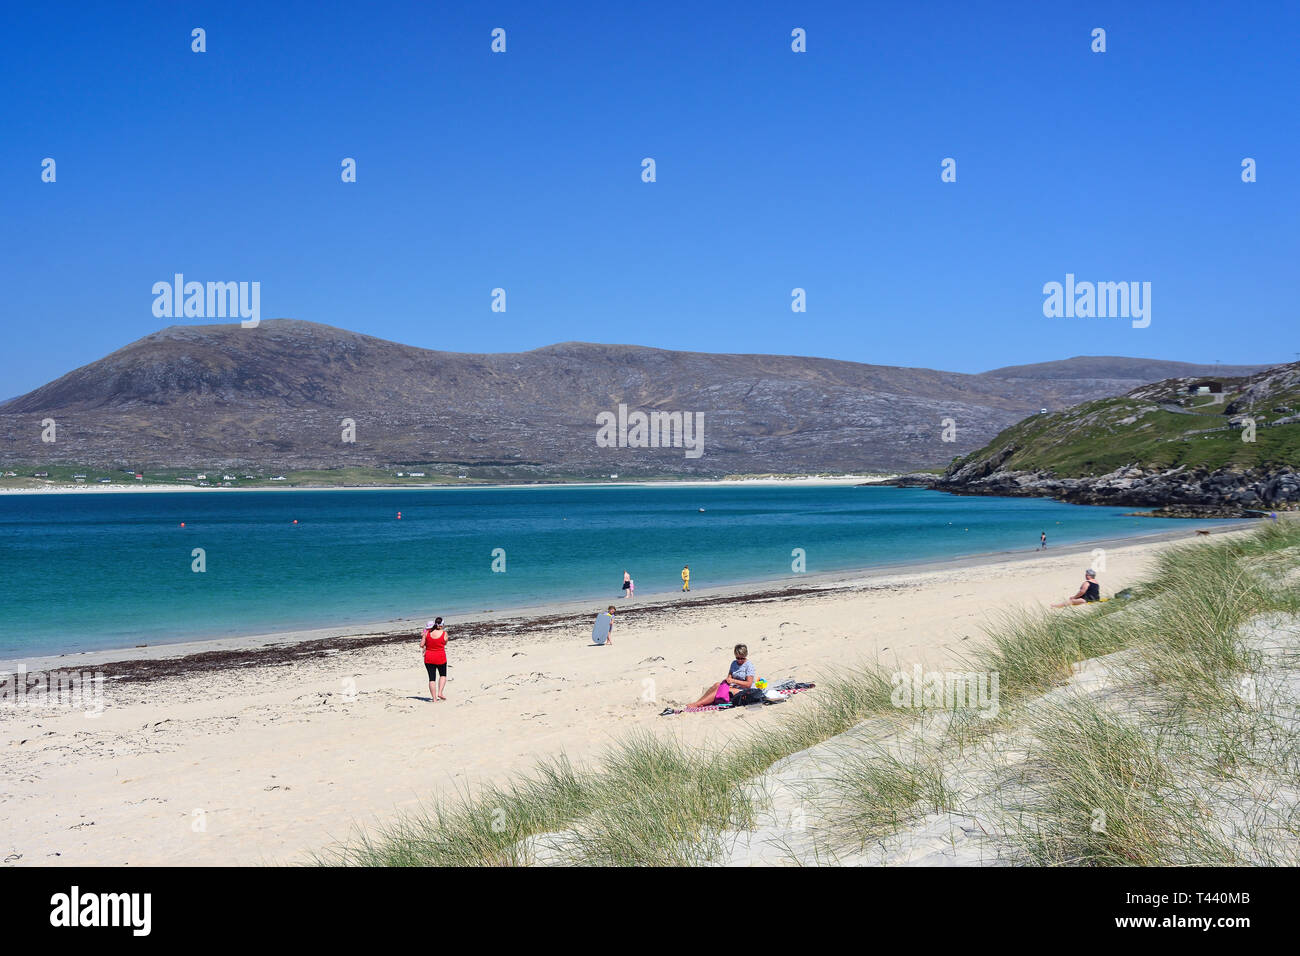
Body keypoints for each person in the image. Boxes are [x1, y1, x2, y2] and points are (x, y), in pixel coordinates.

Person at [684, 644, 757, 708]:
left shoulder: (749, 666)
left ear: (745, 656)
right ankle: (699, 702)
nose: (740, 660)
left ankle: (697, 704)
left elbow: (748, 684)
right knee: (717, 685)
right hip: (734, 686)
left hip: (743, 690)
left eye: (742, 658)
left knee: (722, 689)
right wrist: (727, 681)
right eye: (738, 658)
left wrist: (734, 681)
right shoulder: (734, 663)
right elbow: (730, 676)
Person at [421, 617, 450, 701]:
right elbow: (445, 642)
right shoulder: (444, 633)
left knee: (431, 678)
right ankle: (440, 692)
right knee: (443, 675)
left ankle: (434, 699)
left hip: (429, 657)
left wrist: (424, 637)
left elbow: (422, 645)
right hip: (440, 657)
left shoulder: (427, 633)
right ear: (442, 625)